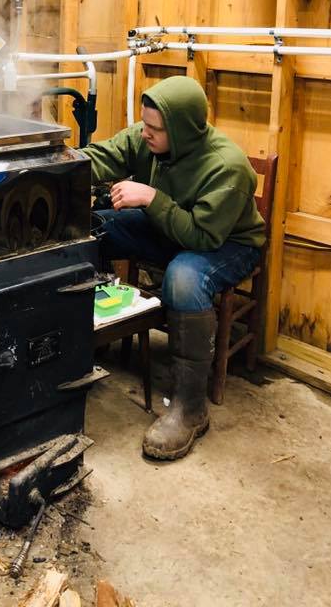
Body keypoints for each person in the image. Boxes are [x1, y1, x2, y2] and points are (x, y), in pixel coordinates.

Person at [82, 75, 265, 461]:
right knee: (92, 229)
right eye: (144, 125)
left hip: (227, 243)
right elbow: (103, 157)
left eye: (154, 129)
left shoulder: (227, 168)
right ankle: (84, 347)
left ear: (181, 131)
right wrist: (57, 165)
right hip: (171, 225)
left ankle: (190, 409)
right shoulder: (149, 136)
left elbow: (200, 237)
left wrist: (150, 198)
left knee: (183, 278)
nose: (144, 133)